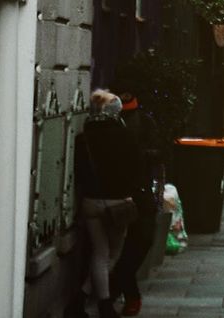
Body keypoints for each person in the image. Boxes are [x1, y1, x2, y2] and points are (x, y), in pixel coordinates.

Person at [72, 91, 144, 318]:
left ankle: (80, 301)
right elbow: (136, 169)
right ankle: (102, 304)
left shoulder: (83, 137)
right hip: (118, 202)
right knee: (113, 253)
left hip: (91, 201)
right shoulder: (125, 136)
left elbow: (80, 172)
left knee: (99, 253)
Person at [109, 91, 158, 317]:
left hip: (136, 195)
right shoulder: (117, 131)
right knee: (127, 248)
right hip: (129, 195)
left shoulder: (136, 129)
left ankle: (117, 292)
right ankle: (119, 293)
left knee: (130, 247)